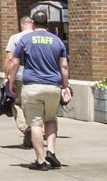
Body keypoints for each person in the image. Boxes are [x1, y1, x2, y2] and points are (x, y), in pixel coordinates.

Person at [10, 10, 70, 171]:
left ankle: (41, 160)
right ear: (48, 24)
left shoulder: (25, 39)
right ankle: (51, 150)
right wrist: (66, 86)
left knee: (36, 123)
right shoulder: (57, 41)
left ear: (33, 24)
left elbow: (14, 62)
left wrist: (11, 82)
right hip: (53, 86)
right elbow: (63, 66)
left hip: (32, 86)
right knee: (50, 119)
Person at [5, 15, 36, 147]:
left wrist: (6, 77)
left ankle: (25, 128)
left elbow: (10, 60)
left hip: (19, 75)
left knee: (17, 104)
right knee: (37, 104)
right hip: (38, 75)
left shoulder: (15, 38)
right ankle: (40, 130)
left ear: (21, 24)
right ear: (32, 24)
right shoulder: (41, 37)